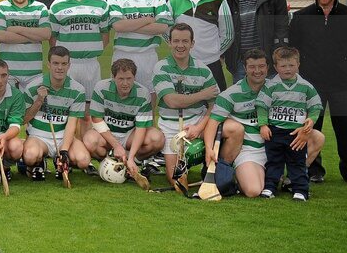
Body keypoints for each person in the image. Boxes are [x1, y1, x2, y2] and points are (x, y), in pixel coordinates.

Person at [290, 0, 347, 185]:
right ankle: (314, 170)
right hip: (312, 85)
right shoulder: (302, 16)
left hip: (343, 84)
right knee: (311, 128)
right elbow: (295, 47)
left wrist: (343, 64)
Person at [152, 23, 220, 182]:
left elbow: (215, 105)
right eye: (176, 41)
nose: (180, 45)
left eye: (185, 41)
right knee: (175, 179)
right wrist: (202, 94)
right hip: (170, 125)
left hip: (197, 121)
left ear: (192, 43)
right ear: (169, 42)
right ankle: (183, 162)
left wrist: (198, 128)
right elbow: (172, 101)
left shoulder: (203, 69)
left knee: (225, 128)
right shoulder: (161, 68)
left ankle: (211, 166)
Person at [256, 46, 324, 201]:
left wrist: (311, 119)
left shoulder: (306, 87)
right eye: (283, 66)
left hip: (296, 133)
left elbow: (316, 106)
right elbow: (261, 106)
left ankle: (300, 190)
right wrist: (263, 125)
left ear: (298, 64)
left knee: (297, 162)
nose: (287, 69)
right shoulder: (271, 86)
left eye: (291, 65)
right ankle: (270, 187)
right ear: (275, 67)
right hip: (275, 131)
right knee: (274, 162)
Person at [48, 0, 110, 126]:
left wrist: (91, 50)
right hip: (69, 64)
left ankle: (87, 146)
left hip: (91, 64)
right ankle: (67, 146)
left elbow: (105, 34)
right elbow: (52, 38)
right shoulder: (57, 5)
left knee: (89, 111)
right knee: (66, 107)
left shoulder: (101, 3)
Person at [206, 49, 272, 198]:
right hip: (249, 151)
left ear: (268, 67)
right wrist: (209, 149)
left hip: (275, 147)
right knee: (253, 191)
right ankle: (243, 174)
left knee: (316, 137)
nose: (257, 71)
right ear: (245, 68)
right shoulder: (230, 94)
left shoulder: (276, 89)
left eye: (261, 66)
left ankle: (282, 177)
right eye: (252, 67)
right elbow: (213, 123)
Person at [83, 58, 164, 176]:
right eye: (121, 79)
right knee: (89, 140)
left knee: (157, 138)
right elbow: (96, 119)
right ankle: (109, 161)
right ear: (113, 77)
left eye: (129, 79)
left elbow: (141, 128)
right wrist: (116, 146)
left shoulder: (143, 93)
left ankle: (134, 160)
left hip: (129, 134)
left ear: (134, 78)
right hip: (107, 133)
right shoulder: (101, 87)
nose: (125, 83)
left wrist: (131, 158)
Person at [23, 47, 91, 179]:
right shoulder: (33, 86)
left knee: (83, 161)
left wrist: (64, 150)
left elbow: (72, 123)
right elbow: (23, 120)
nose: (60, 68)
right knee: (30, 156)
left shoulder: (77, 90)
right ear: (48, 64)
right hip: (38, 136)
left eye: (64, 64)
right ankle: (39, 161)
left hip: (63, 136)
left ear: (69, 65)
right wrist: (39, 101)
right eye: (56, 63)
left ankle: (59, 160)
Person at [108, 0, 172, 95]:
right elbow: (118, 26)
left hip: (148, 55)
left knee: (149, 95)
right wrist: (148, 19)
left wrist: (129, 24)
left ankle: (147, 118)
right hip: (123, 54)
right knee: (120, 97)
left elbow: (162, 27)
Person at [167, 0, 233, 90]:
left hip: (211, 64)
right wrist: (178, 50)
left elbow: (228, 35)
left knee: (216, 106)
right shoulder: (174, 1)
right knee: (185, 106)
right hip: (183, 63)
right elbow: (166, 31)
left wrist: (214, 53)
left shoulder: (219, 1)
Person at [222, 0, 289, 81]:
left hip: (267, 63)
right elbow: (224, 29)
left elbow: (282, 27)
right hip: (240, 63)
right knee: (242, 100)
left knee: (270, 100)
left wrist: (277, 56)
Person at [0, 0, 51, 91]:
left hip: (34, 74)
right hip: (8, 74)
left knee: (32, 110)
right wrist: (33, 35)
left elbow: (46, 34)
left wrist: (16, 29)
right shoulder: (1, 8)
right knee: (9, 110)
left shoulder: (40, 8)